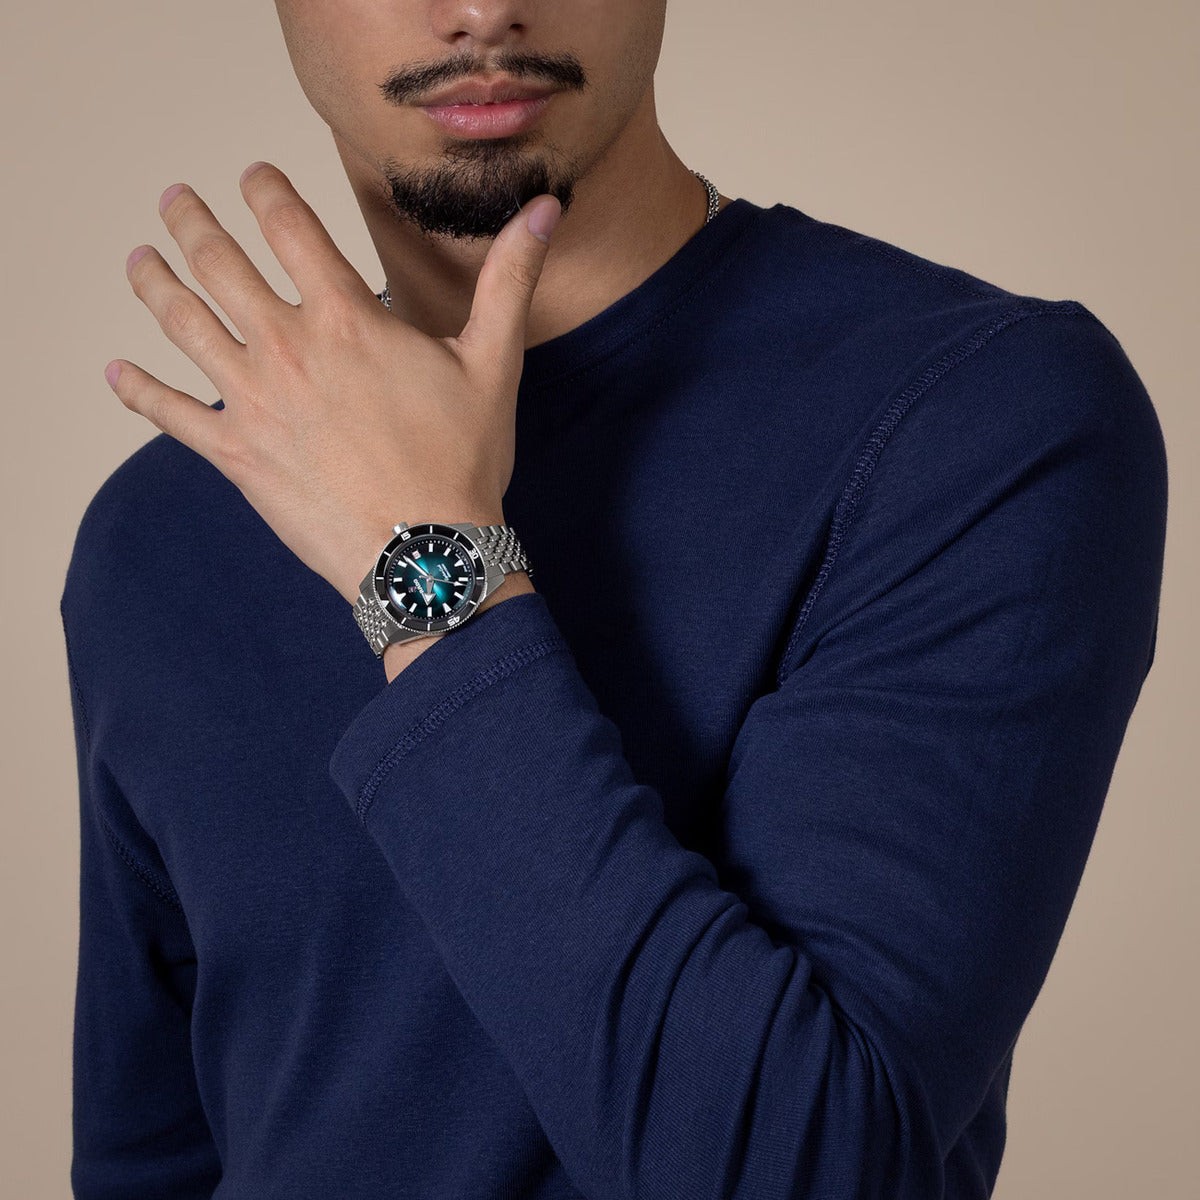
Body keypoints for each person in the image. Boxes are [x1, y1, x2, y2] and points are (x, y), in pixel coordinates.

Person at [59, 2, 1167, 1198]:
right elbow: (150, 1161)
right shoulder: (159, 529)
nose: (479, 7)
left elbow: (806, 1168)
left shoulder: (975, 419)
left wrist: (419, 560)